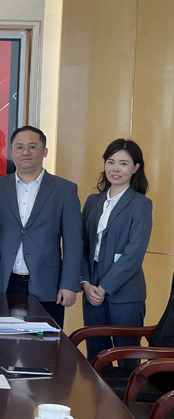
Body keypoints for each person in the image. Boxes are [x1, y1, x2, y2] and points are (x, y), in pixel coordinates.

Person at [0, 125, 82, 328]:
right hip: (3, 283)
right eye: (19, 147)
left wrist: (69, 284)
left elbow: (73, 242)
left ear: (44, 152)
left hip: (47, 285)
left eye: (32, 147)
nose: (25, 152)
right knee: (1, 341)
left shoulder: (65, 189)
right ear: (11, 152)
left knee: (45, 343)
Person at [81, 139, 152, 367]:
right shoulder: (93, 201)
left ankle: (125, 394)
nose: (115, 168)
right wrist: (85, 284)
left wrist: (104, 288)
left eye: (123, 163)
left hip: (125, 293)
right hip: (91, 290)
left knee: (126, 360)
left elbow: (134, 253)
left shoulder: (140, 204)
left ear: (136, 167)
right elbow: (82, 246)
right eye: (111, 162)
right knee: (96, 358)